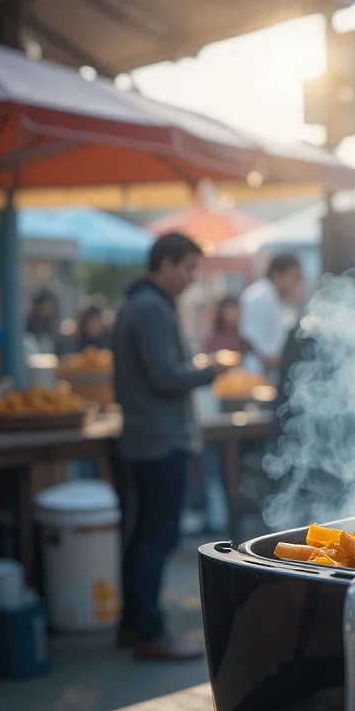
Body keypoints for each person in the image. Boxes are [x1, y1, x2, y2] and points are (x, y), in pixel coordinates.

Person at [112, 232, 226, 661]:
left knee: (142, 533)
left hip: (147, 438)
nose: (192, 277)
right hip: (159, 441)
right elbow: (164, 377)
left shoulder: (141, 304)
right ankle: (149, 631)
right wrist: (206, 372)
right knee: (156, 536)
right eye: (188, 268)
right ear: (165, 264)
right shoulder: (151, 308)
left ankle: (132, 623)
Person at [239, 253, 304, 378]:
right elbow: (257, 343)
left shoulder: (274, 297)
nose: (296, 283)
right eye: (294, 277)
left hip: (267, 372)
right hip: (257, 373)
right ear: (277, 274)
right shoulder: (261, 296)